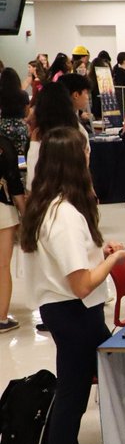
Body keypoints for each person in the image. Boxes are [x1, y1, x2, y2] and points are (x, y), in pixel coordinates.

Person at [20, 127, 125, 444]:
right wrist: (114, 260)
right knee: (73, 394)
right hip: (73, 311)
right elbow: (81, 284)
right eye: (85, 151)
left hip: (67, 309)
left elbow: (75, 268)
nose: (89, 157)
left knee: (74, 391)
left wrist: (100, 254)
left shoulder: (49, 206)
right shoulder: (63, 215)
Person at [0, 110, 26, 333]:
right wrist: (25, 212)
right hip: (2, 210)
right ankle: (1, 318)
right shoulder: (4, 145)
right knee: (2, 265)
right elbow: (14, 181)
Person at [0, 67, 30, 157]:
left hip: (4, 126)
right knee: (21, 154)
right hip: (20, 127)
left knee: (6, 153)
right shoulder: (23, 94)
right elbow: (26, 113)